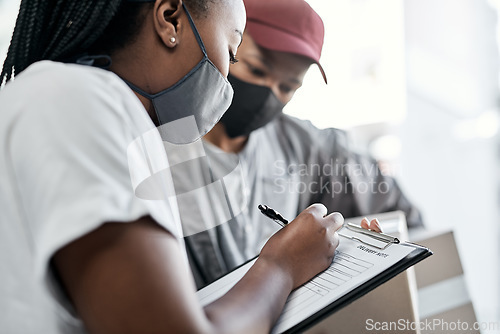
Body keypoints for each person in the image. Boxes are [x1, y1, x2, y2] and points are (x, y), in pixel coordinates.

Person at [0, 0, 380, 333]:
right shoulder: (81, 101)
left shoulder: (114, 119)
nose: (228, 80)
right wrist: (281, 266)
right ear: (170, 19)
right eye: (232, 55)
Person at [183, 0, 423, 288]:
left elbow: (398, 210)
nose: (268, 94)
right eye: (257, 70)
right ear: (226, 42)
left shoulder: (304, 146)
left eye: (286, 87)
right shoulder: (161, 134)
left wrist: (371, 243)